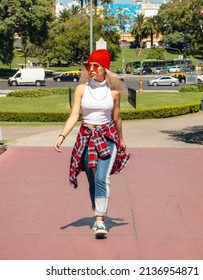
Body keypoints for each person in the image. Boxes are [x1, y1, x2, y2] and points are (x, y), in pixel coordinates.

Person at [54, 49, 132, 238]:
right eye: (89, 66)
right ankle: (99, 207)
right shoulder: (81, 89)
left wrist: (121, 139)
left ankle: (99, 220)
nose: (92, 69)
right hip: (86, 137)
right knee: (91, 178)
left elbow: (117, 118)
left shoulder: (113, 93)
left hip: (107, 137)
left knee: (101, 178)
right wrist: (62, 135)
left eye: (96, 66)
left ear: (105, 69)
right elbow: (74, 115)